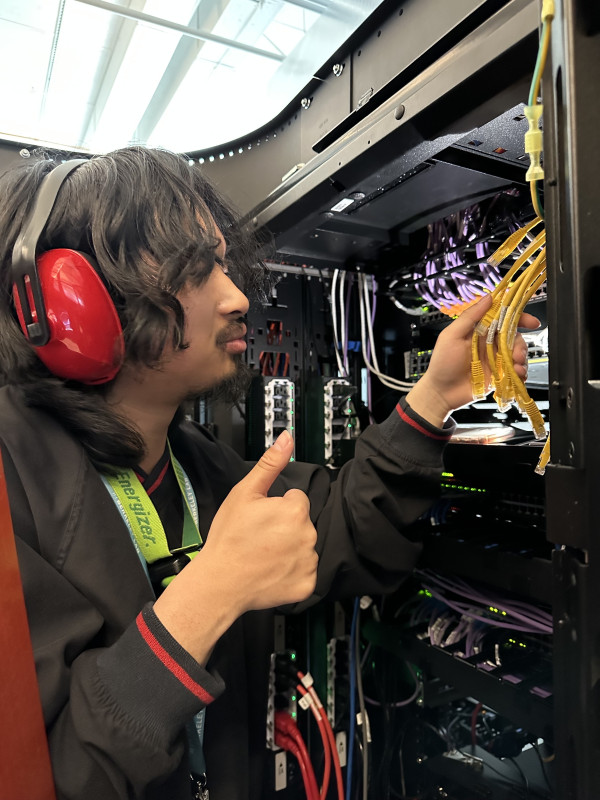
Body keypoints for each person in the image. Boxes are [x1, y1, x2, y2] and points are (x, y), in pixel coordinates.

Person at [0, 147, 535, 800]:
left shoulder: (197, 464)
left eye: (226, 265)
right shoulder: (13, 483)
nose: (236, 297)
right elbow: (50, 778)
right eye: (197, 268)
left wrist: (432, 398)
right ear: (72, 298)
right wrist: (213, 590)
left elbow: (344, 527)